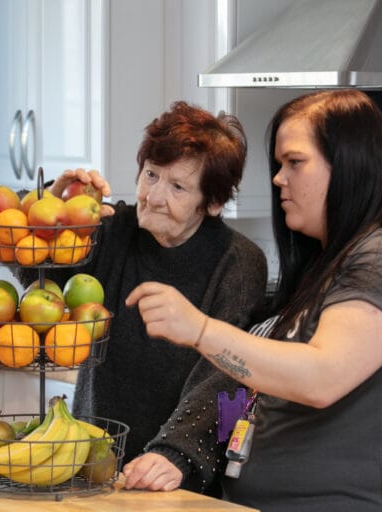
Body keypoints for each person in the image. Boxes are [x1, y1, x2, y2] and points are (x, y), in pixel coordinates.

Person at [126, 89, 382, 511]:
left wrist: (201, 330)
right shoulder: (326, 264)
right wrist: (182, 453)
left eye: (295, 162)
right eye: (279, 165)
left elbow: (320, 377)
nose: (279, 178)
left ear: (350, 163)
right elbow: (253, 390)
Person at [17, 101, 267, 495]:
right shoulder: (113, 229)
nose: (153, 197)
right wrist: (52, 210)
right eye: (151, 174)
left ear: (213, 202)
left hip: (175, 479)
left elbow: (227, 377)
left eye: (178, 187)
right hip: (92, 464)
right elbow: (38, 277)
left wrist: (175, 454)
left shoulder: (239, 262)